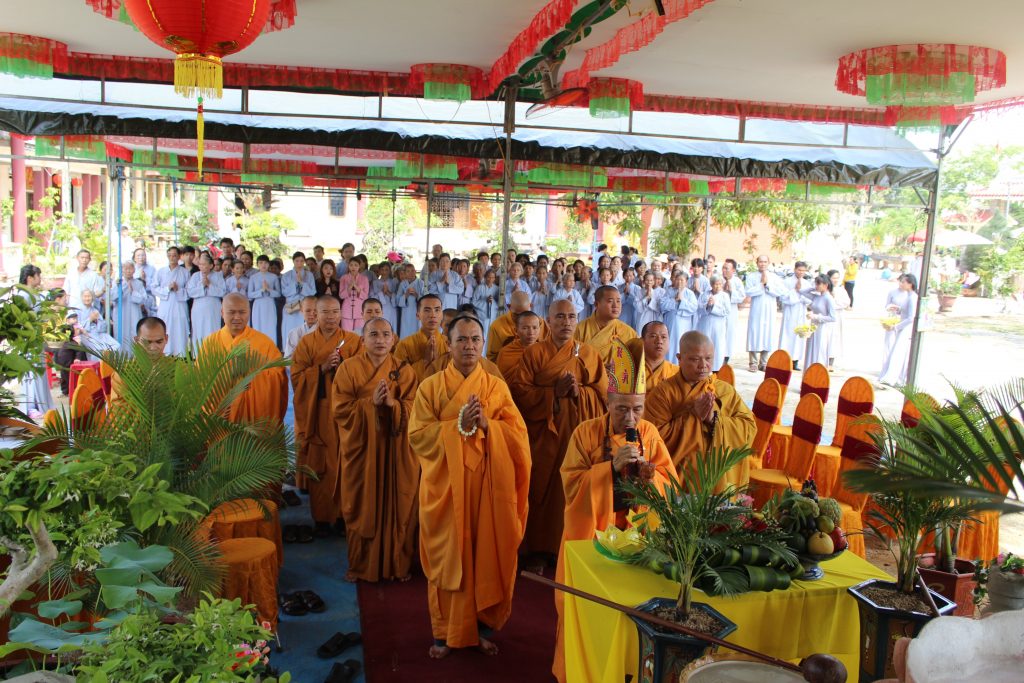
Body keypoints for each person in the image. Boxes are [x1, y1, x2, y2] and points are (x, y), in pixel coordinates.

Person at [553, 337, 677, 682]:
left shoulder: (649, 434)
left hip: (638, 539)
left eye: (637, 408)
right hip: (593, 536)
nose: (630, 417)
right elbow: (571, 483)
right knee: (585, 608)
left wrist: (650, 477)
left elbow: (671, 483)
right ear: (608, 402)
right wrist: (607, 469)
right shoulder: (586, 433)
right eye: (622, 408)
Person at [409, 315, 531, 659]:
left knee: (484, 555)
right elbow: (417, 438)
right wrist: (456, 427)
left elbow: (518, 436)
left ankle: (479, 629)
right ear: (448, 344)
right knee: (449, 558)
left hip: (487, 489)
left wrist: (488, 425)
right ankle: (444, 633)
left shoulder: (495, 386)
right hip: (445, 488)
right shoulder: (430, 387)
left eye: (476, 339)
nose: (470, 346)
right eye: (462, 339)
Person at [509, 299, 607, 570]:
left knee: (574, 489)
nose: (566, 322)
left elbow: (602, 397)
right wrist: (554, 394)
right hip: (544, 434)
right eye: (560, 317)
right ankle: (539, 549)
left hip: (578, 436)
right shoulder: (534, 354)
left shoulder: (589, 354)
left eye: (572, 317)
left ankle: (571, 546)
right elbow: (519, 393)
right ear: (547, 322)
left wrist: (579, 392)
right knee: (542, 489)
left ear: (578, 320)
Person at [332, 316, 419, 582]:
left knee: (400, 504)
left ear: (394, 339)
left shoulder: (405, 370)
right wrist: (370, 404)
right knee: (359, 504)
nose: (380, 340)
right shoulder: (348, 369)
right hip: (362, 450)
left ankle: (397, 564)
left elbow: (416, 408)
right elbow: (340, 409)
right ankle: (359, 565)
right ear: (363, 339)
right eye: (374, 335)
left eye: (385, 335)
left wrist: (394, 405)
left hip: (395, 450)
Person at [643, 331, 756, 492]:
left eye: (708, 358)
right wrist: (692, 417)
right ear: (679, 358)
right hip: (679, 481)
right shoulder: (663, 394)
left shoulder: (724, 390)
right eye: (695, 359)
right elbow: (652, 439)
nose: (703, 365)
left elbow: (749, 427)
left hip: (718, 481)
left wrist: (713, 420)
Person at [291, 295, 362, 537]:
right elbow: (297, 378)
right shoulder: (307, 343)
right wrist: (321, 369)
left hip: (346, 413)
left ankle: (345, 516)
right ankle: (321, 519)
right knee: (321, 465)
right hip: (318, 412)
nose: (330, 317)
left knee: (346, 464)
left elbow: (364, 373)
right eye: (325, 313)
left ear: (340, 313)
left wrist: (343, 364)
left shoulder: (353, 341)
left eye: (334, 312)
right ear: (315, 315)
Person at [200, 292, 288, 425]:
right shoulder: (210, 343)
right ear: (222, 312)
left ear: (249, 312)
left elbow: (278, 376)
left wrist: (249, 373)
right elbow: (200, 379)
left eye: (242, 312)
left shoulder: (264, 342)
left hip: (253, 420)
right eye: (231, 312)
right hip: (220, 417)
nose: (237, 317)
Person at [574, 285, 638, 364]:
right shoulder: (579, 329)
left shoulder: (629, 333)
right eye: (610, 301)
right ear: (596, 304)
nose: (616, 306)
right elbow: (573, 361)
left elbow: (633, 365)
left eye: (618, 301)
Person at [744, 254, 786, 372]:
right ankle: (753, 362)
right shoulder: (751, 276)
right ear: (757, 263)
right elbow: (749, 291)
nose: (762, 264)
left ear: (768, 263)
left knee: (767, 333)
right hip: (756, 308)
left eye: (765, 262)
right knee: (754, 332)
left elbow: (780, 291)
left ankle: (764, 362)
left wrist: (767, 285)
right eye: (760, 262)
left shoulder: (774, 277)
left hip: (769, 309)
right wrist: (761, 284)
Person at [393, 294, 449, 382]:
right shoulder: (404, 344)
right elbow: (398, 377)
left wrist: (439, 361)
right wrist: (425, 361)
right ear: (417, 315)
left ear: (442, 315)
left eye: (437, 310)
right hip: (415, 394)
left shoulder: (449, 343)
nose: (433, 315)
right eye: (427, 310)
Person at [879, 274, 919, 388]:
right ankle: (895, 377)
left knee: (899, 352)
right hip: (902, 324)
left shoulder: (912, 297)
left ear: (910, 284)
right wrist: (899, 309)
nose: (902, 284)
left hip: (905, 328)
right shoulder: (908, 296)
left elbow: (911, 318)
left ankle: (894, 377)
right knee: (897, 351)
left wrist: (896, 327)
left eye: (904, 282)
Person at [485, 290, 545, 362]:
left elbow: (546, 349)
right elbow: (492, 357)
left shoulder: (539, 322)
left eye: (525, 313)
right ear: (509, 306)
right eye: (517, 314)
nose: (521, 318)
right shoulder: (497, 326)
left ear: (530, 306)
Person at [153, 246, 190, 356]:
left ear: (179, 257)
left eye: (174, 255)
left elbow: (189, 291)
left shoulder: (185, 272)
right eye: (170, 255)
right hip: (165, 304)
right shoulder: (161, 272)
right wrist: (167, 289)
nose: (172, 258)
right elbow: (154, 288)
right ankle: (165, 353)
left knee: (179, 330)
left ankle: (180, 355)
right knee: (165, 328)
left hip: (179, 305)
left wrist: (178, 289)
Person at [186, 252, 226, 348]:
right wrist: (202, 286)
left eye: (204, 264)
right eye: (200, 264)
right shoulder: (195, 276)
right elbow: (190, 292)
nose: (201, 267)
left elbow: (222, 292)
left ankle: (213, 354)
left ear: (211, 265)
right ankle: (198, 356)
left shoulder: (217, 276)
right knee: (198, 330)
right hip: (198, 308)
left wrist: (209, 285)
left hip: (213, 308)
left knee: (212, 330)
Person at [800, 274, 837, 369]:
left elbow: (833, 317)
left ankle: (818, 374)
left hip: (823, 328)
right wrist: (813, 287)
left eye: (818, 284)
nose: (816, 286)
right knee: (810, 351)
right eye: (816, 284)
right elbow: (801, 291)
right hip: (813, 327)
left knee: (819, 351)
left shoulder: (829, 298)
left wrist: (816, 316)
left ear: (826, 285)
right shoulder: (816, 296)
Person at [281, 252, 317, 347]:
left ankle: (305, 349)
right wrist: (295, 284)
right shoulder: (286, 275)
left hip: (304, 306)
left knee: (304, 329)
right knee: (290, 329)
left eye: (301, 261)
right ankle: (289, 350)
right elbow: (284, 292)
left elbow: (312, 292)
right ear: (293, 261)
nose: (299, 263)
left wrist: (302, 283)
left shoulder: (309, 275)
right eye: (297, 261)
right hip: (291, 306)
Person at [779, 261, 810, 371]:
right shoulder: (786, 282)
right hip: (790, 312)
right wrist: (795, 291)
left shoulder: (807, 283)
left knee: (799, 336)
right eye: (799, 270)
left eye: (803, 270)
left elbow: (810, 298)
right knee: (788, 335)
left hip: (801, 312)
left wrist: (801, 296)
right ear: (794, 269)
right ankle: (784, 360)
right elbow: (782, 297)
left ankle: (795, 361)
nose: (801, 272)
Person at [496, 310, 542, 382]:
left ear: (540, 329)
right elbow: (499, 380)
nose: (531, 332)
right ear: (516, 330)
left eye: (534, 328)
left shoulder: (544, 351)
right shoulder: (505, 352)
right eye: (525, 328)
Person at [660, 271, 698, 358]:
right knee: (669, 343)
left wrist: (682, 301)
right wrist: (674, 300)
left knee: (680, 344)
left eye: (682, 280)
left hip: (683, 324)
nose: (679, 282)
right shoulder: (669, 291)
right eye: (677, 280)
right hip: (670, 322)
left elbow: (694, 307)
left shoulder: (690, 293)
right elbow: (662, 305)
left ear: (686, 282)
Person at [110, 261, 147, 350]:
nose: (128, 271)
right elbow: (113, 298)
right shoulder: (117, 283)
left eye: (130, 268)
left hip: (134, 313)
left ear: (134, 270)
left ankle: (135, 359)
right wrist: (121, 289)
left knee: (134, 333)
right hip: (121, 314)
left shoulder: (138, 283)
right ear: (122, 270)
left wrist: (133, 291)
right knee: (121, 334)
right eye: (126, 269)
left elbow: (143, 299)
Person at [697, 275, 731, 372]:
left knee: (717, 345)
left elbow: (727, 311)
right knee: (705, 344)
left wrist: (714, 306)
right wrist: (708, 305)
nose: (718, 286)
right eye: (716, 284)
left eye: (720, 284)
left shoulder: (725, 296)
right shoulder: (704, 294)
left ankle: (716, 368)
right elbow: (699, 308)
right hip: (705, 323)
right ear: (711, 285)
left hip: (718, 325)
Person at [632, 321, 678, 391]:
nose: (659, 341)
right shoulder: (630, 370)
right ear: (642, 341)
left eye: (663, 337)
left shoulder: (677, 372)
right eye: (653, 336)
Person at [720, 259, 745, 366]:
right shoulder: (718, 279)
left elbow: (741, 297)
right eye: (723, 268)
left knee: (729, 333)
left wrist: (731, 292)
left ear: (733, 270)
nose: (724, 270)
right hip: (719, 311)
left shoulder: (737, 282)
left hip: (731, 311)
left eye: (727, 268)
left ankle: (726, 357)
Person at [826, 269, 850, 371]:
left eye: (837, 278)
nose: (835, 280)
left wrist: (835, 303)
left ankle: (831, 361)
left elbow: (846, 302)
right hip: (826, 317)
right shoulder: (825, 290)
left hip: (837, 317)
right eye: (833, 278)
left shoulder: (841, 290)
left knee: (835, 339)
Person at [340, 256, 370, 332]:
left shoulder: (364, 278)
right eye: (351, 265)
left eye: (356, 265)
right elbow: (341, 295)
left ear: (359, 266)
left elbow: (366, 296)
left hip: (359, 310)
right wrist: (349, 287)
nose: (353, 267)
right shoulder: (344, 278)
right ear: (348, 266)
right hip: (346, 311)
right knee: (346, 334)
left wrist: (357, 287)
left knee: (359, 334)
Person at [472, 269, 500, 346]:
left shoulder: (497, 289)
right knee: (482, 334)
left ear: (495, 278)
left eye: (492, 277)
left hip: (492, 316)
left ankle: (489, 355)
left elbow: (499, 303)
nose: (490, 279)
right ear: (485, 277)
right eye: (488, 277)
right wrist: (485, 301)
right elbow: (473, 301)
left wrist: (492, 302)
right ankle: (481, 354)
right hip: (482, 315)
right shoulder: (480, 287)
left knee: (491, 335)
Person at [372, 261, 399, 331]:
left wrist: (388, 292)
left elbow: (397, 297)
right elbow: (372, 297)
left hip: (391, 308)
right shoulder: (375, 282)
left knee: (390, 327)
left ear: (390, 271)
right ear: (379, 271)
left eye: (386, 270)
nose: (384, 272)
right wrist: (382, 292)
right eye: (382, 270)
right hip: (380, 308)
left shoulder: (394, 282)